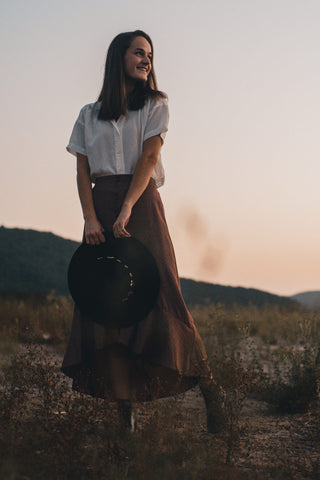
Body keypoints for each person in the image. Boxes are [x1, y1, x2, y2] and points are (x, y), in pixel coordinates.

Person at [61, 30, 224, 434]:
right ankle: (125, 415)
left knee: (163, 293)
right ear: (119, 57)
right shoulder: (87, 114)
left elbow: (150, 157)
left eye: (150, 54)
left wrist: (129, 208)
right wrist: (90, 218)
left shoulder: (155, 104)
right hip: (102, 204)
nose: (147, 59)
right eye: (139, 52)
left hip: (142, 202)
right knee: (108, 307)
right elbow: (82, 171)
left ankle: (210, 391)